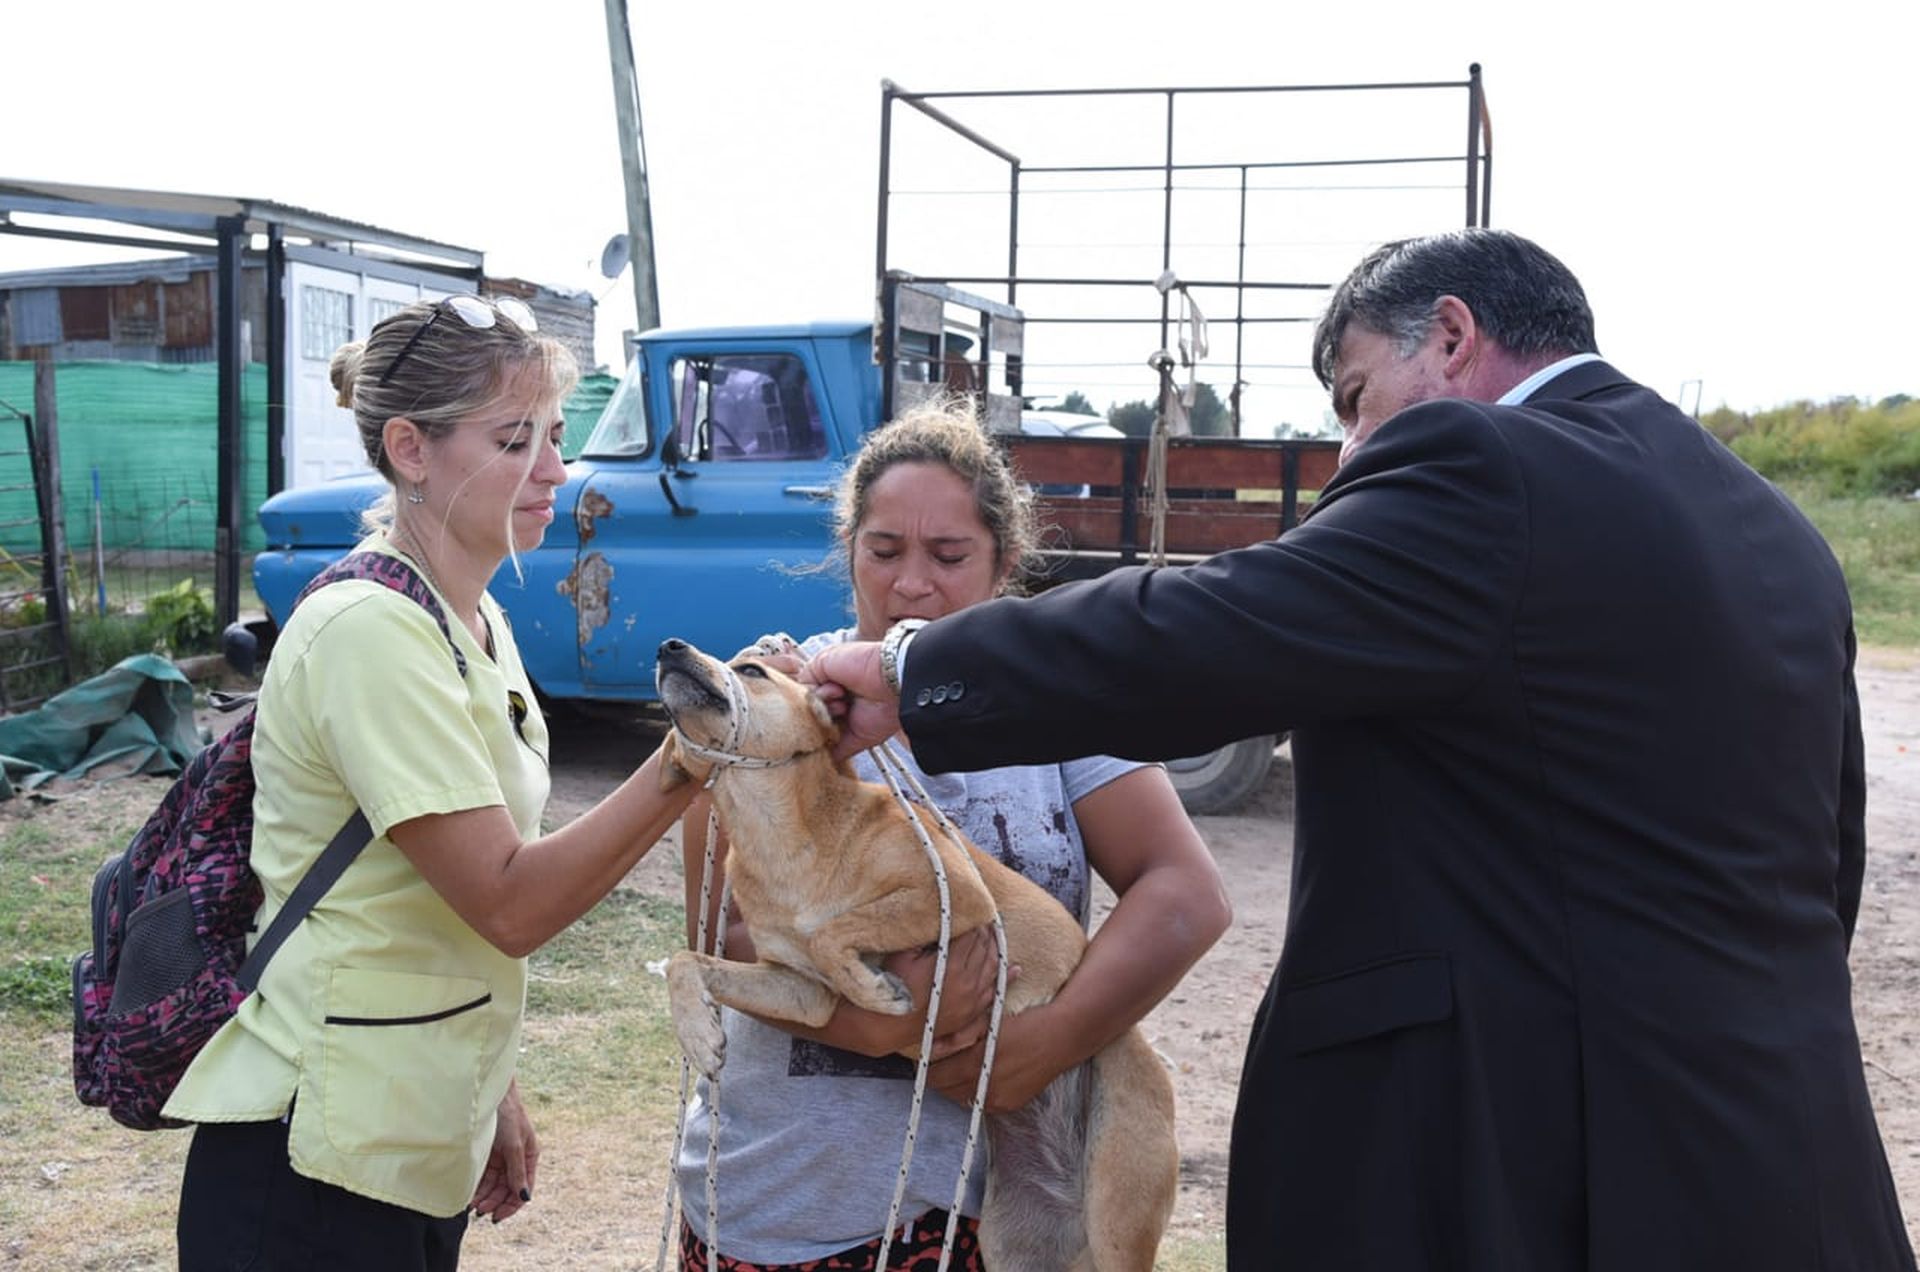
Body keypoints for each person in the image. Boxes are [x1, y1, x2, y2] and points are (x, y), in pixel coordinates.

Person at [805, 230, 1918, 1271]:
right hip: (1786, 1162)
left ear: (1452, 335)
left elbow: (1210, 631)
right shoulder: (1777, 533)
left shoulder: (1484, 462)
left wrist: (913, 669)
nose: (1349, 451)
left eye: (1353, 399)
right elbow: (1826, 861)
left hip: (1531, 1166)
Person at [165, 294, 700, 1271]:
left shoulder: (469, 618)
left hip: (398, 1132)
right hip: (312, 1161)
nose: (555, 470)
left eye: (555, 436)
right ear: (410, 450)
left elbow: (425, 908)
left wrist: (488, 1093)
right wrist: (690, 755)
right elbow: (505, 900)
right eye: (515, 440)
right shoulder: (370, 631)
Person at [673, 400, 1230, 1270]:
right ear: (848, 549)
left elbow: (1185, 894)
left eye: (948, 555)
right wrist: (869, 1024)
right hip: (793, 1200)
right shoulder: (780, 706)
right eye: (883, 550)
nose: (911, 584)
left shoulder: (1059, 710)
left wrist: (1044, 1044)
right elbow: (724, 932)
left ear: (1004, 563)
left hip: (1001, 1205)